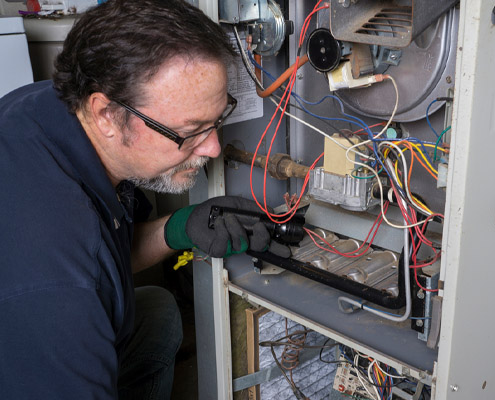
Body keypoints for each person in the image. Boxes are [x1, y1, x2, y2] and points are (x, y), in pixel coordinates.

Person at [0, 0, 288, 398]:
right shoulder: (60, 285)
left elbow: (107, 255)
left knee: (157, 313)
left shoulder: (50, 106)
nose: (213, 148)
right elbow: (84, 269)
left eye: (217, 120)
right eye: (191, 130)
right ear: (106, 115)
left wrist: (178, 228)